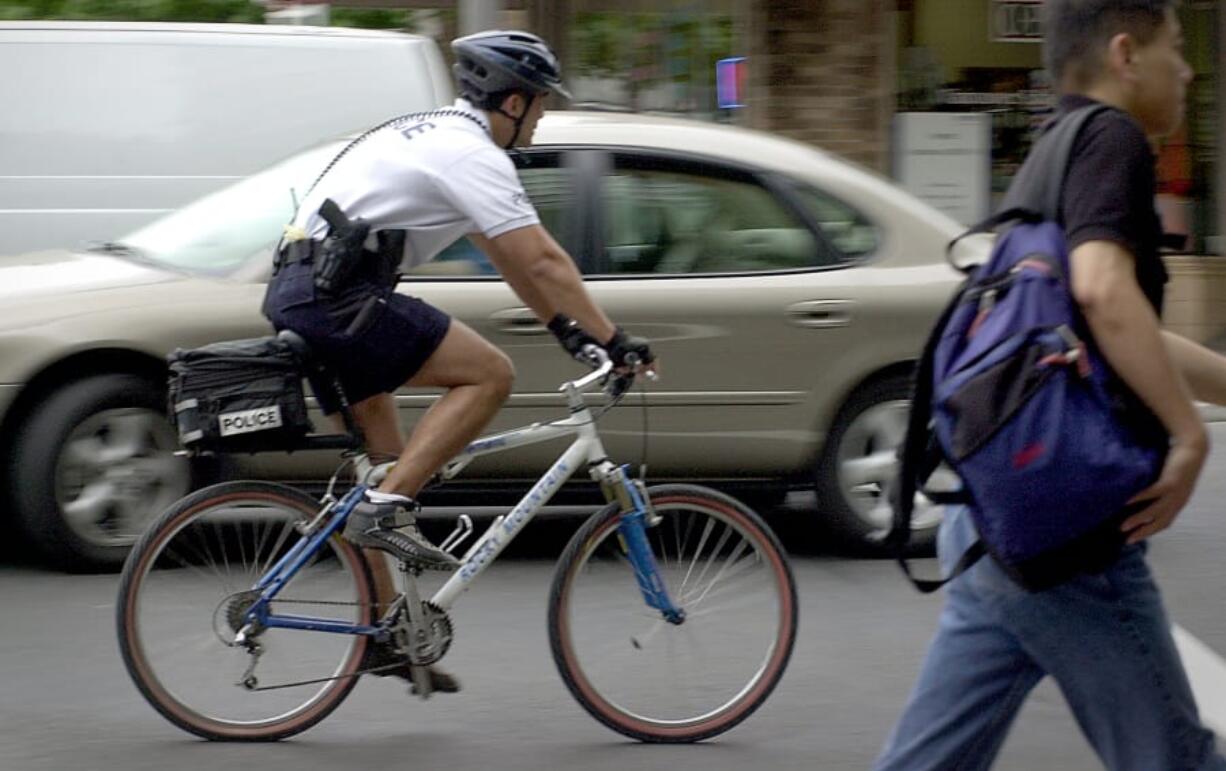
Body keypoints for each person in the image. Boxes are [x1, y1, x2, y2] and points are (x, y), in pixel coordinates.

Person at [874, 2, 1226, 768]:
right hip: (1073, 542)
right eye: (1176, 48)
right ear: (1126, 54)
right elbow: (1103, 291)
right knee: (1173, 757)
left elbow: (1114, 327)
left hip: (997, 519)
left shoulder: (1053, 147)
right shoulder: (1114, 137)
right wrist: (1190, 434)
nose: (1190, 70)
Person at [262, 30, 654, 690]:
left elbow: (509, 257)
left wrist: (566, 328)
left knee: (388, 467)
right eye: (540, 104)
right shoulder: (472, 154)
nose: (543, 117)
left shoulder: (436, 135)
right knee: (489, 373)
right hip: (338, 297)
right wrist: (614, 340)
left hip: (310, 291)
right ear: (512, 102)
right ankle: (385, 506)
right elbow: (544, 259)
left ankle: (387, 634)